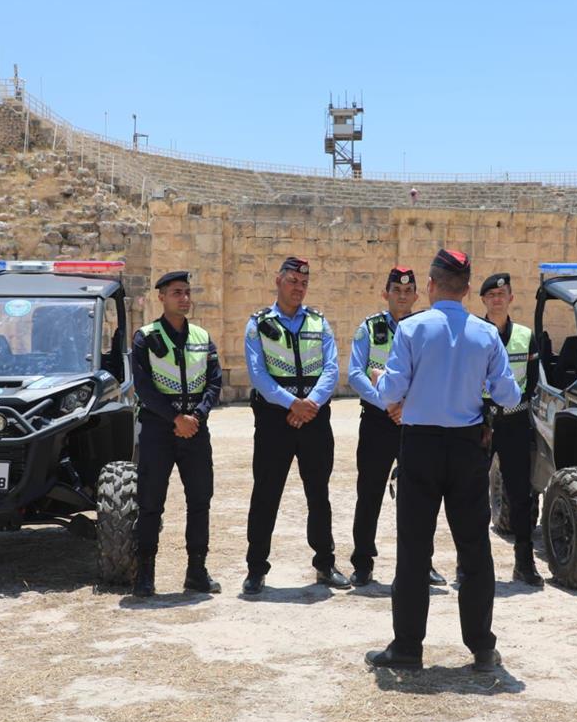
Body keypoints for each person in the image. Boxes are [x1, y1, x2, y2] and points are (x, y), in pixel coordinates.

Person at [365, 248, 520, 673]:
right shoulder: (486, 334)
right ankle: (482, 648)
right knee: (474, 549)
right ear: (468, 290)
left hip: (421, 446)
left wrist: (379, 380)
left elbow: (391, 392)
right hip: (468, 448)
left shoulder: (411, 329)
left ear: (431, 285)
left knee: (414, 549)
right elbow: (509, 395)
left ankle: (407, 648)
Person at [242, 256, 349, 594]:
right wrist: (293, 404)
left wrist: (309, 405)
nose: (298, 288)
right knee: (266, 493)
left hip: (314, 417)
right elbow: (258, 374)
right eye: (292, 281)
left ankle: (325, 563)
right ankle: (256, 568)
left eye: (304, 283)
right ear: (278, 281)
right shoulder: (258, 324)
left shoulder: (320, 322)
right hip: (275, 419)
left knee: (319, 494)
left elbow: (331, 369)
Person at [346, 266, 445, 588]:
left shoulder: (425, 329)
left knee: (419, 496)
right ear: (385, 293)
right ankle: (363, 562)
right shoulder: (369, 328)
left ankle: (422, 562)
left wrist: (408, 406)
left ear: (416, 295)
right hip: (378, 421)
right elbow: (356, 373)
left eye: (408, 291)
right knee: (370, 492)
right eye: (396, 290)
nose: (402, 296)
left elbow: (433, 373)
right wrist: (386, 403)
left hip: (415, 422)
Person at [129, 270, 223, 597]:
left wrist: (196, 416)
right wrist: (175, 418)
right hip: (158, 429)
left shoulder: (202, 336)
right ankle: (145, 574)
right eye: (176, 293)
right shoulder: (145, 337)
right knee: (150, 502)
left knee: (200, 500)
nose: (184, 298)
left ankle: (196, 571)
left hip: (195, 428)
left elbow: (214, 382)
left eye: (186, 292)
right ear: (161, 298)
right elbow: (143, 387)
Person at [480, 272, 543, 586]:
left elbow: (532, 381)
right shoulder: (474, 333)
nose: (497, 300)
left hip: (516, 422)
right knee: (473, 494)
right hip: (481, 422)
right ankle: (471, 563)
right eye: (491, 295)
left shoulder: (525, 335)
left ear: (511, 298)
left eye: (501, 295)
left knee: (520, 495)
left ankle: (524, 563)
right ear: (483, 300)